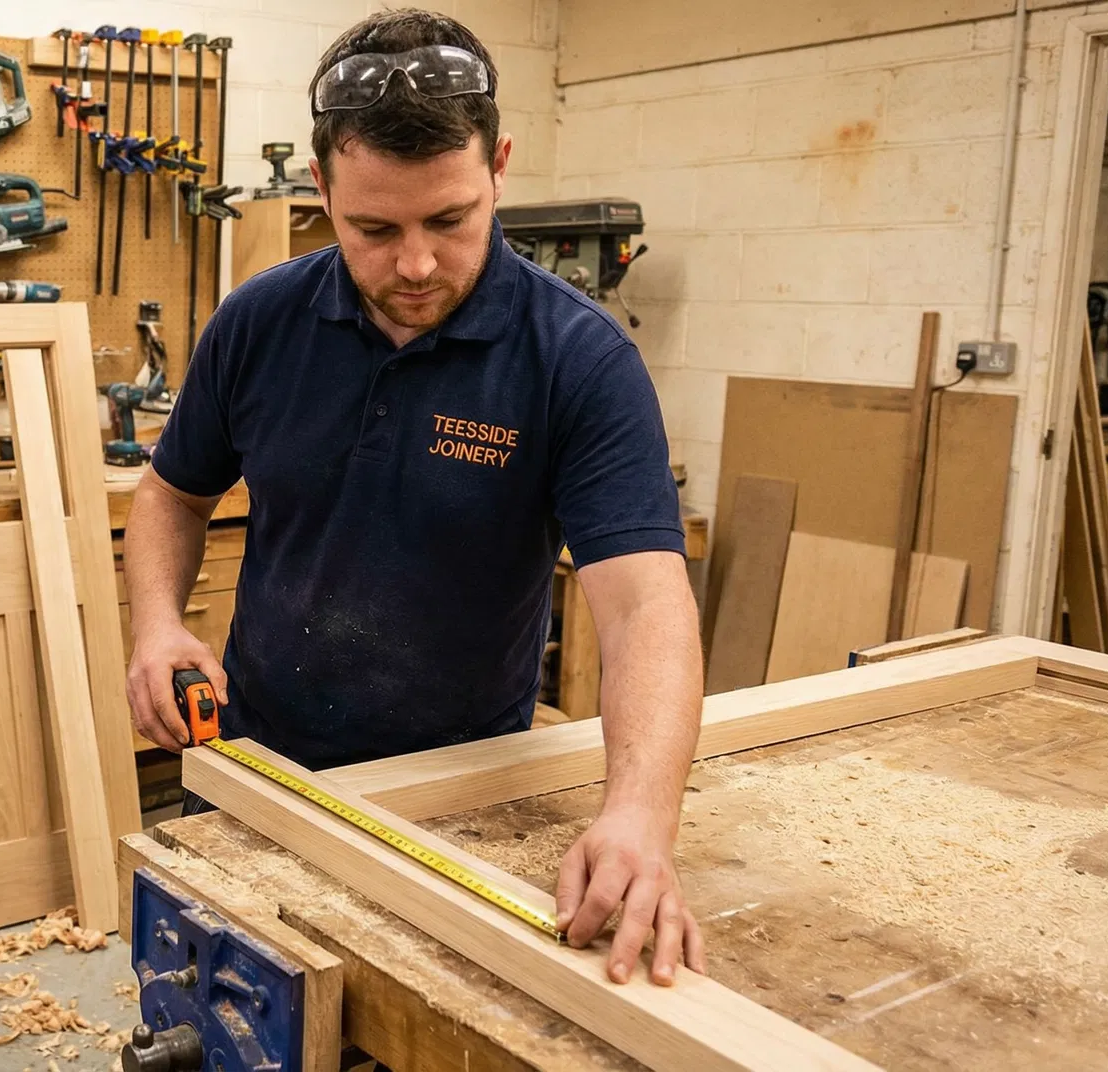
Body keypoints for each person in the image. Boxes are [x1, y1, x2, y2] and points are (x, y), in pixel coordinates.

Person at [120, 9, 707, 987]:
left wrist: (640, 815)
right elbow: (173, 494)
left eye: (450, 219)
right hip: (256, 773)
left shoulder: (578, 360)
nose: (418, 264)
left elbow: (648, 602)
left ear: (500, 166)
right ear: (322, 188)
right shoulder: (259, 323)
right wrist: (154, 625)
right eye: (374, 229)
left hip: (461, 799)